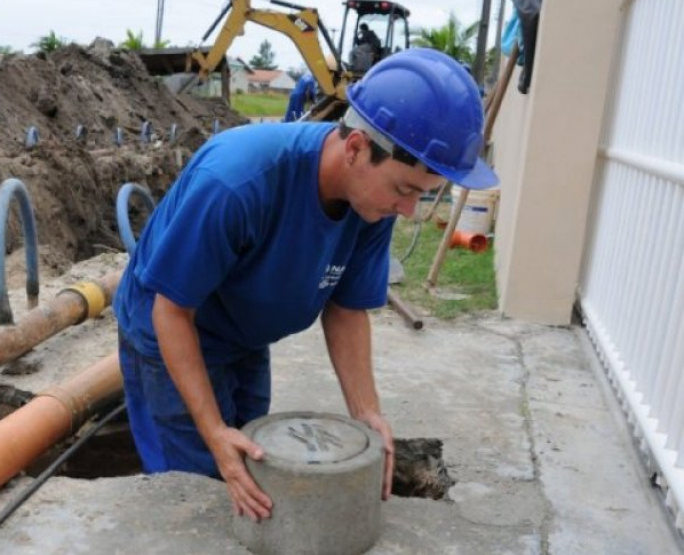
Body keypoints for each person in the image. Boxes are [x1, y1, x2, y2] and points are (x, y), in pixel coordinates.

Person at [113, 48, 498, 522]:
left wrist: (367, 412)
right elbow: (171, 311)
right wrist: (212, 432)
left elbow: (347, 308)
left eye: (422, 195)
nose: (408, 210)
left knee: (254, 467)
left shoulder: (372, 204)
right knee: (197, 491)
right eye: (404, 190)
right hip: (172, 330)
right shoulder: (237, 182)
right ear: (355, 148)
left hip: (244, 331)